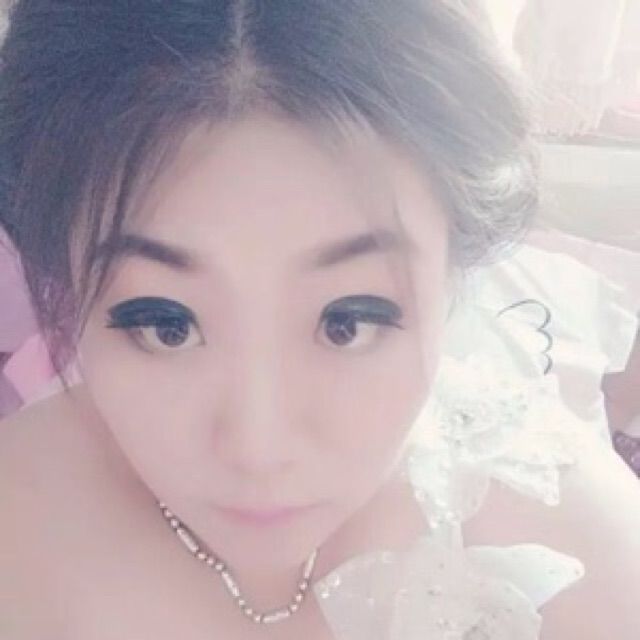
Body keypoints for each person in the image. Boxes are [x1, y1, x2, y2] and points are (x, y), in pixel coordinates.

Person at [0, 1, 638, 638]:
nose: (259, 450)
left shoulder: (579, 552)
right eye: (167, 325)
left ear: (452, 273)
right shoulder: (20, 522)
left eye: (347, 322)